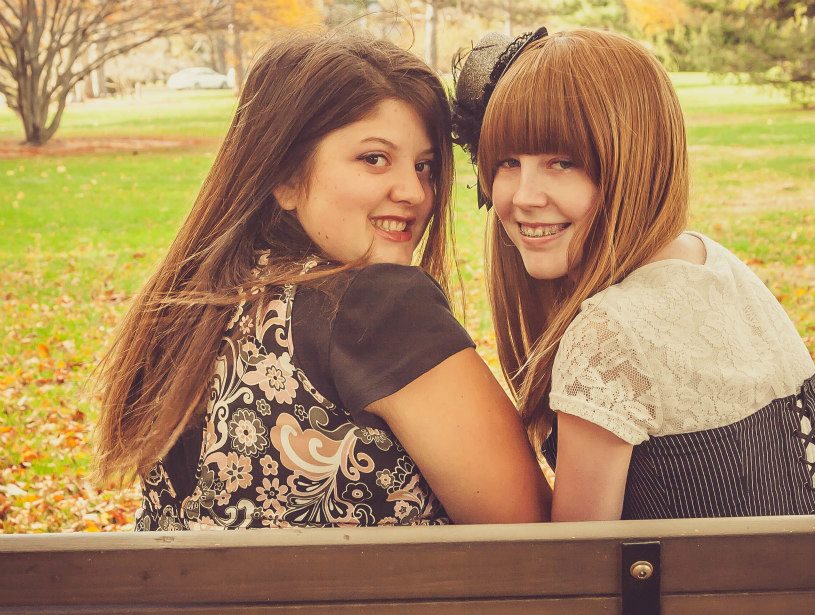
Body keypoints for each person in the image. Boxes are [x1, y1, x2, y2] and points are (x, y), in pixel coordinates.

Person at [95, 28, 550, 530]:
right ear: (285, 179)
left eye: (424, 166)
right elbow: (530, 539)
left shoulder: (203, 302)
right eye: (374, 158)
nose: (415, 193)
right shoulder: (379, 307)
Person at [452, 28, 815, 521]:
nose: (524, 195)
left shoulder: (608, 334)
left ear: (635, 160)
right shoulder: (711, 263)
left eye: (562, 162)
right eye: (508, 162)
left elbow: (577, 573)